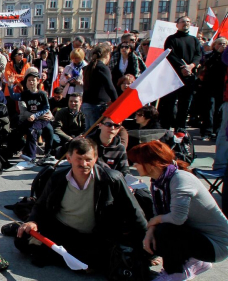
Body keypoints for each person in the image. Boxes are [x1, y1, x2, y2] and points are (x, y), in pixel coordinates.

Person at [15, 138, 147, 272]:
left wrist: (145, 247)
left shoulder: (111, 179)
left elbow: (134, 212)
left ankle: (67, 258)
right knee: (22, 239)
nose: (84, 164)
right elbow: (41, 204)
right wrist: (33, 220)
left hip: (93, 236)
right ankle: (71, 258)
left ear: (96, 159)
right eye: (79, 158)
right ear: (69, 158)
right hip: (61, 230)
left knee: (97, 257)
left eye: (88, 159)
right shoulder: (57, 177)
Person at [128, 141, 228, 280]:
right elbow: (158, 214)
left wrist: (154, 222)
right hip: (198, 236)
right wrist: (150, 231)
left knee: (165, 231)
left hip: (217, 245)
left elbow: (177, 218)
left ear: (152, 163)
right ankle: (194, 262)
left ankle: (175, 273)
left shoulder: (180, 179)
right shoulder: (158, 182)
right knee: (156, 235)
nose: (134, 166)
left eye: (137, 162)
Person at [161, 16, 202, 130]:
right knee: (170, 103)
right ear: (177, 25)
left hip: (189, 76)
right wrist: (182, 68)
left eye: (188, 21)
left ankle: (181, 129)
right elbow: (170, 54)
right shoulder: (171, 39)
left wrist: (191, 66)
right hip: (174, 76)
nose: (186, 23)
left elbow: (198, 55)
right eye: (183, 21)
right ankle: (167, 128)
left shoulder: (194, 40)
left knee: (185, 104)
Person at [18, 71, 54, 163]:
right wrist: (35, 116)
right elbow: (24, 111)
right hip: (29, 118)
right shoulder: (24, 94)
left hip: (41, 119)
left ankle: (47, 153)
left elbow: (46, 108)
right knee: (28, 130)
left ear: (37, 81)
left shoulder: (41, 93)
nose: (31, 82)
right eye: (29, 80)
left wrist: (49, 115)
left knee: (49, 130)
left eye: (33, 80)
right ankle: (28, 153)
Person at [82, 43, 118, 130]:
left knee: (89, 131)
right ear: (107, 55)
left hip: (87, 103)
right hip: (97, 105)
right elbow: (109, 87)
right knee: (95, 133)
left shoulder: (89, 66)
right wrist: (116, 101)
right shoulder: (102, 67)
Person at [198, 37, 227, 141]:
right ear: (214, 45)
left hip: (222, 87)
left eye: (224, 44)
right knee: (209, 109)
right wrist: (217, 54)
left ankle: (216, 131)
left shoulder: (226, 57)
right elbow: (206, 65)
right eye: (219, 43)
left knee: (220, 110)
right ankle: (207, 131)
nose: (222, 46)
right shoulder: (209, 55)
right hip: (209, 86)